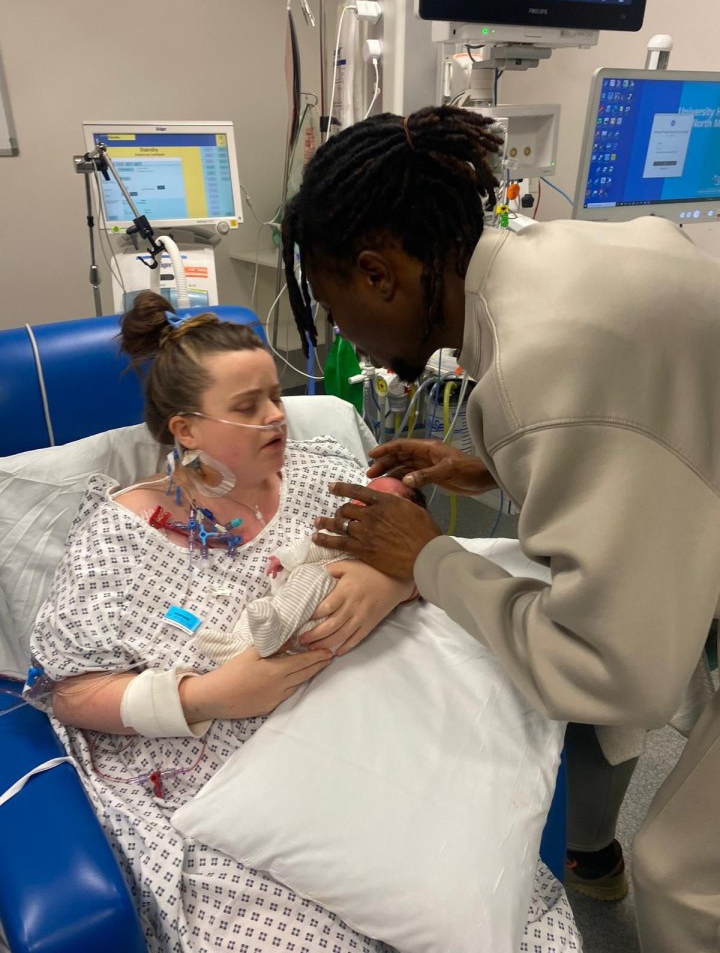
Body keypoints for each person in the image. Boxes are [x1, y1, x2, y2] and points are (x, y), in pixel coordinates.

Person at [281, 105, 720, 953]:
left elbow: (617, 677)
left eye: (337, 312)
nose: (347, 339)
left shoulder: (540, 372)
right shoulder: (568, 250)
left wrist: (429, 560)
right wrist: (491, 464)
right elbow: (663, 412)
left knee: (687, 874)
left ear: (379, 275)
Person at [26, 291, 577, 953]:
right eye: (246, 407)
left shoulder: (323, 475)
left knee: (486, 904)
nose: (274, 417)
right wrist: (209, 695)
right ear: (186, 430)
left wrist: (391, 581)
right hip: (220, 789)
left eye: (274, 395)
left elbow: (408, 540)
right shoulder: (118, 538)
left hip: (377, 727)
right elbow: (67, 691)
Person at [197, 476, 426, 662]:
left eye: (372, 500)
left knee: (309, 576)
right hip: (298, 606)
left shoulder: (388, 541)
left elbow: (317, 549)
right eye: (359, 495)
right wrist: (285, 559)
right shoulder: (341, 529)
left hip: (330, 611)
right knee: (261, 607)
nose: (357, 503)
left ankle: (272, 639)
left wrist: (404, 585)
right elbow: (314, 544)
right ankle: (238, 646)